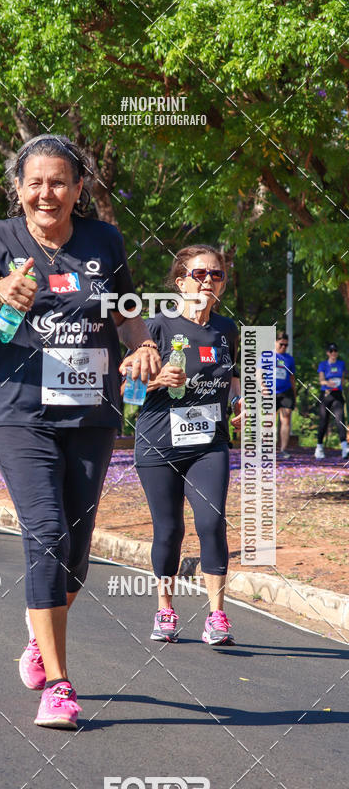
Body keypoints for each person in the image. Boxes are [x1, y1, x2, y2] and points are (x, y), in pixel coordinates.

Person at [0, 134, 159, 729]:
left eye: (60, 182)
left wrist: (143, 344)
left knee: (74, 555)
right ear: (18, 189)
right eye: (35, 182)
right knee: (44, 535)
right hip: (18, 411)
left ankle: (40, 640)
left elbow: (125, 311)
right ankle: (61, 686)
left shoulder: (103, 240)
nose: (47, 193)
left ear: (78, 189)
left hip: (90, 411)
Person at [122, 245, 242, 648]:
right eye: (199, 274)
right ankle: (165, 609)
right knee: (169, 530)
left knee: (211, 522)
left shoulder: (226, 330)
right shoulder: (156, 328)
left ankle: (217, 616)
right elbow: (125, 390)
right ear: (181, 282)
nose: (208, 281)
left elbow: (231, 378)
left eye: (216, 275)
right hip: (158, 444)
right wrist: (155, 381)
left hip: (210, 443)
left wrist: (242, 403)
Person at [315, 343, 348, 459]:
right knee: (324, 421)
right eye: (331, 351)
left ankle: (344, 447)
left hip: (337, 395)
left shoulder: (341, 364)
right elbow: (321, 380)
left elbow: (343, 379)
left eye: (335, 351)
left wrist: (339, 386)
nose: (334, 353)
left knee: (340, 419)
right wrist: (327, 384)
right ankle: (319, 447)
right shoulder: (323, 364)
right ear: (328, 353)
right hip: (326, 395)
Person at [274, 331, 296, 460]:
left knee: (286, 419)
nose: (283, 347)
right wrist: (262, 387)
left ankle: (283, 449)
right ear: (275, 342)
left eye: (286, 345)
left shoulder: (289, 359)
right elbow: (258, 373)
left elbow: (292, 378)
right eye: (281, 344)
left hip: (286, 391)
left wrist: (294, 395)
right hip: (270, 393)